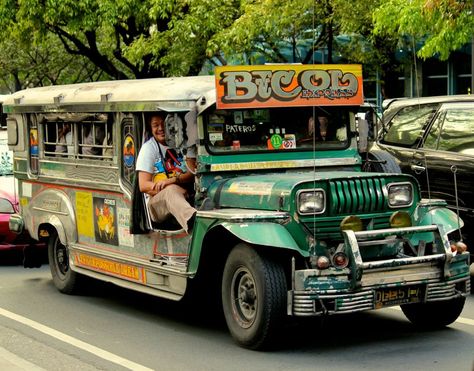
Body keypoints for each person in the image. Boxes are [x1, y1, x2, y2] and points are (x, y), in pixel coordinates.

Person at [136, 112, 196, 233]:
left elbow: (192, 173)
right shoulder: (149, 148)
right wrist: (168, 185)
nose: (161, 128)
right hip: (158, 203)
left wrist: (172, 180)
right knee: (171, 191)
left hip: (185, 193)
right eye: (155, 125)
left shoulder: (184, 144)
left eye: (165, 124)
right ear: (150, 128)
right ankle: (195, 223)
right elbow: (143, 185)